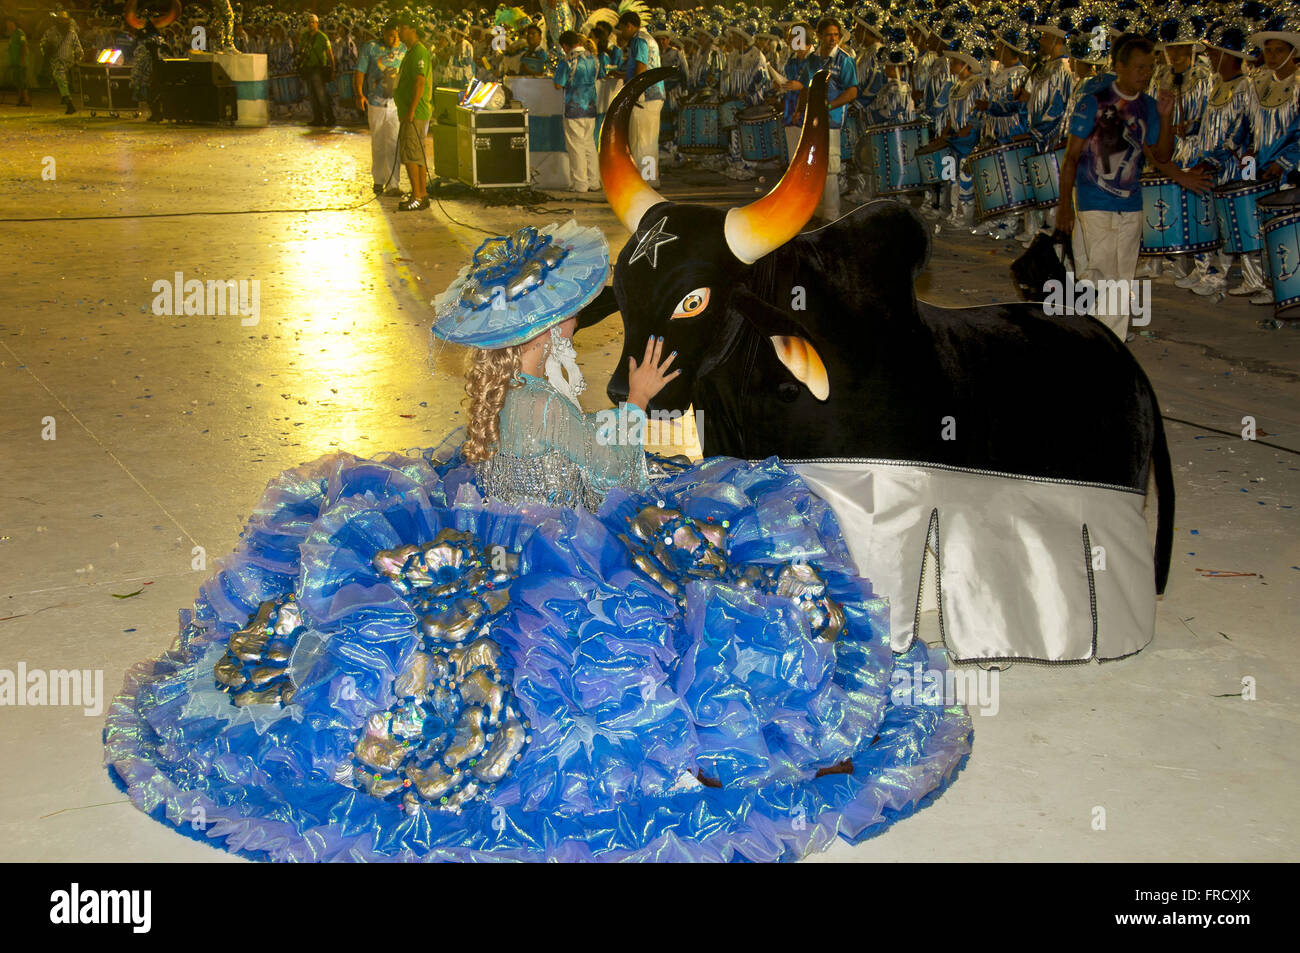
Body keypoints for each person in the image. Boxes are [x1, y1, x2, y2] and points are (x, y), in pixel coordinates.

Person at [103, 218, 972, 862]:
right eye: (560, 327)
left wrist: (609, 419)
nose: (570, 332)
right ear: (536, 340)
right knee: (708, 545)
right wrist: (633, 407)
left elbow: (557, 460)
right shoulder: (548, 410)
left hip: (501, 517)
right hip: (551, 552)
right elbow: (609, 479)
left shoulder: (508, 405)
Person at [1057, 35, 1175, 342]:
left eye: (1150, 68)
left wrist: (1167, 117)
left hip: (1131, 204)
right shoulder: (1094, 102)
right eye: (1139, 67)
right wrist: (1064, 207)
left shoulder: (1149, 106)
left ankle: (1107, 342)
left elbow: (1162, 155)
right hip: (1094, 201)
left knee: (1121, 279)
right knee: (1104, 275)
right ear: (1119, 66)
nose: (1145, 74)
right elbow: (1070, 158)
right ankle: (1104, 342)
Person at [786, 17, 858, 222]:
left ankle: (832, 215)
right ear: (819, 36)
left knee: (831, 168)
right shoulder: (812, 60)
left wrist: (829, 106)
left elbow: (852, 91)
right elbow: (805, 87)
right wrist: (799, 109)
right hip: (812, 120)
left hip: (832, 121)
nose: (833, 39)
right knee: (814, 166)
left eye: (836, 35)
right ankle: (815, 210)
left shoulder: (845, 60)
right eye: (828, 35)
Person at [354, 17, 406, 196]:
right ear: (383, 33)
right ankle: (378, 180)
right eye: (390, 36)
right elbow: (360, 71)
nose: (394, 40)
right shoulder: (371, 47)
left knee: (393, 143)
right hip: (376, 102)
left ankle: (393, 184)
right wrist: (359, 94)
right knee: (378, 142)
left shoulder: (404, 49)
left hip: (396, 104)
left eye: (396, 36)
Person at [617, 9, 664, 188]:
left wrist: (634, 92)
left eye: (623, 29)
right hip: (655, 94)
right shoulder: (649, 38)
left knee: (641, 141)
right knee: (649, 141)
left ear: (630, 26)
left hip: (645, 97)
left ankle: (644, 181)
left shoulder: (638, 40)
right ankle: (650, 179)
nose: (622, 33)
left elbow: (641, 67)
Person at [393, 15, 432, 212]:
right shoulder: (410, 52)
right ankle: (421, 194)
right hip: (412, 111)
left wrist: (411, 110)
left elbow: (420, 81)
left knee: (410, 155)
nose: (399, 31)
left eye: (402, 27)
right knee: (417, 154)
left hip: (414, 113)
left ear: (413, 30)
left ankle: (417, 196)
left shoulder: (418, 52)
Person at [553, 29, 600, 193]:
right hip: (591, 107)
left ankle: (580, 183)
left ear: (565, 45)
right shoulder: (594, 59)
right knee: (589, 145)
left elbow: (558, 84)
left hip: (574, 108)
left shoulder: (567, 61)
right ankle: (594, 181)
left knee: (576, 146)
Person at [41, 12, 82, 115]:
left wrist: (78, 59)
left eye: (65, 20)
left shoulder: (72, 33)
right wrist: (46, 51)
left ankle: (65, 96)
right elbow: (42, 44)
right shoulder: (50, 32)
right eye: (61, 20)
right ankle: (68, 101)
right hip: (57, 62)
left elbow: (78, 48)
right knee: (59, 76)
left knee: (63, 80)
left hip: (70, 62)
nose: (63, 22)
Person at [299, 13, 335, 127]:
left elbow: (330, 55)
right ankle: (318, 118)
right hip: (308, 68)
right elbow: (302, 50)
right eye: (309, 22)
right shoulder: (305, 36)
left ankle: (330, 118)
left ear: (317, 24)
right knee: (312, 96)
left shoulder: (322, 37)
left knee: (321, 95)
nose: (310, 24)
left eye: (313, 22)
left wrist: (333, 69)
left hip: (318, 69)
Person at [4, 15, 31, 107]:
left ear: (14, 24)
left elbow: (23, 46)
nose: (8, 26)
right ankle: (20, 99)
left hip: (20, 62)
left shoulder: (20, 33)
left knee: (22, 81)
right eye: (7, 24)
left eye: (10, 24)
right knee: (17, 81)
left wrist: (22, 60)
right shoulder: (12, 35)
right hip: (15, 62)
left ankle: (26, 100)